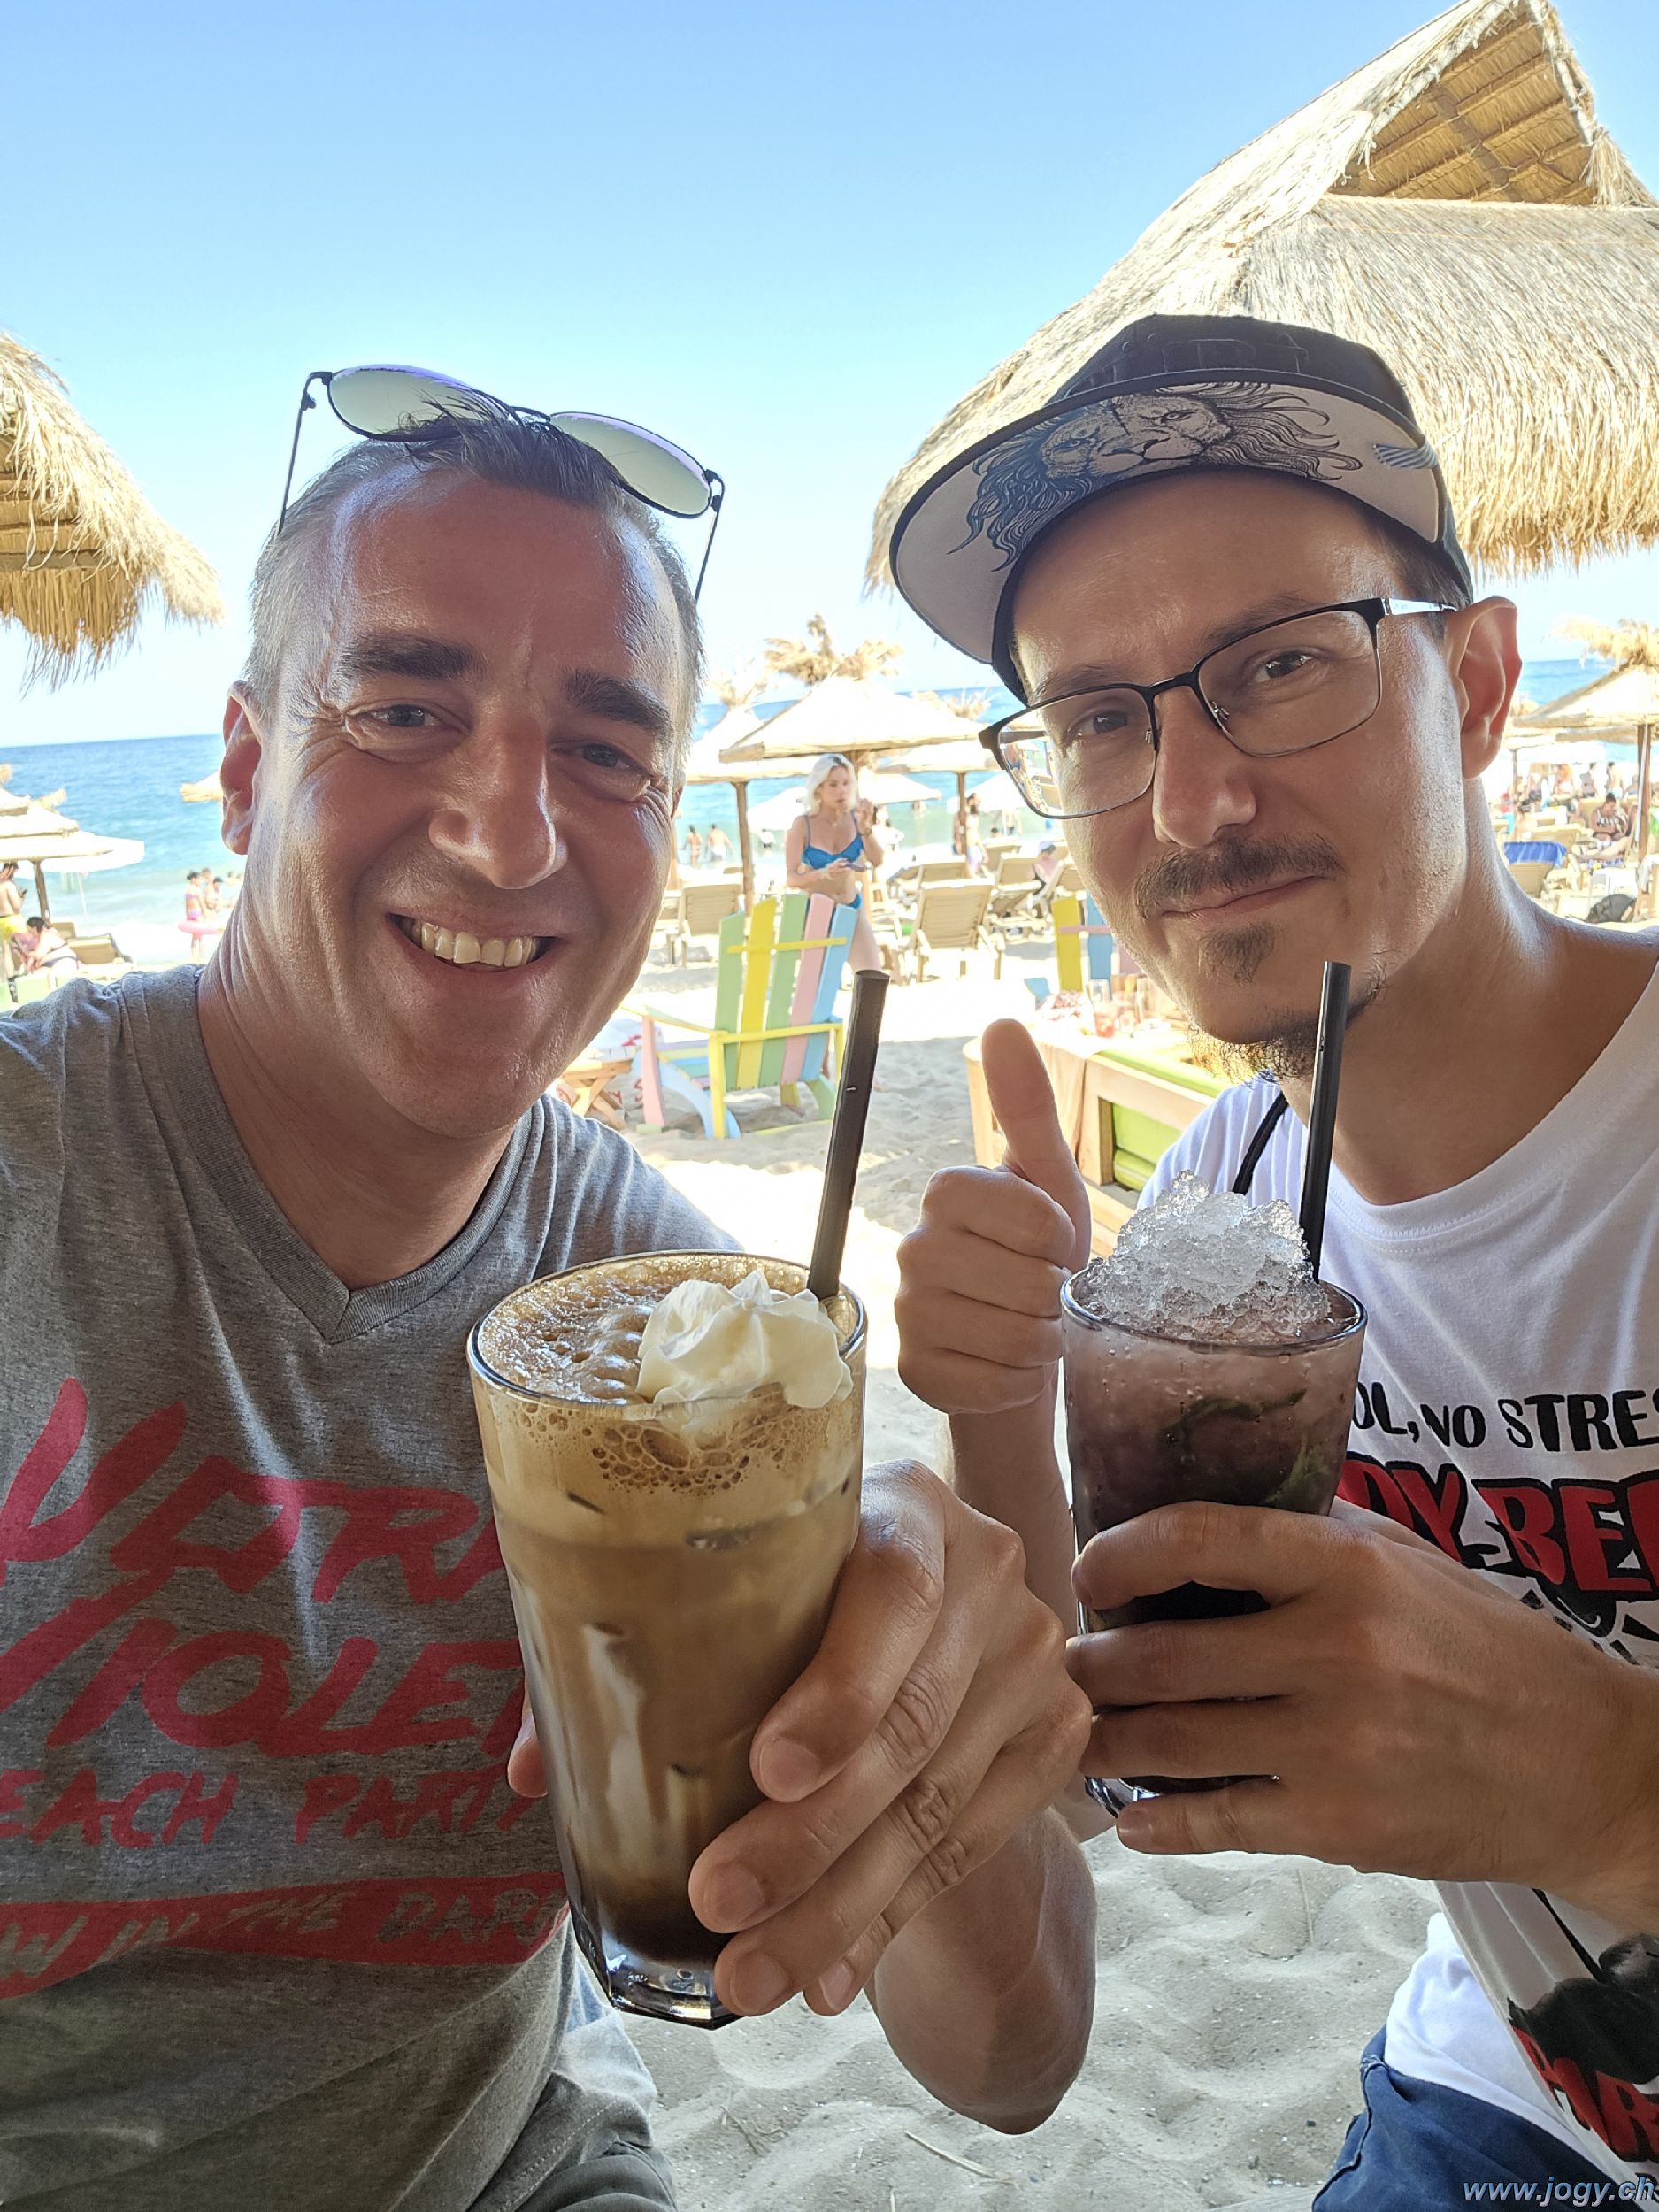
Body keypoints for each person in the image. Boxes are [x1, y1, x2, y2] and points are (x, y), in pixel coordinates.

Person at [0, 401, 1094, 2212]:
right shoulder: (36, 1174)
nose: (510, 837)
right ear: (246, 769)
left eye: (604, 750)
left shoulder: (683, 1341)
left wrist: (934, 1699)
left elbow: (1012, 2064)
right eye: (404, 709)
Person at [887, 312, 1659, 2203]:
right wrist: (1001, 1401)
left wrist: (1611, 1785)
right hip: (1523, 2093)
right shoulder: (1221, 1211)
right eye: (1101, 719)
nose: (1191, 804)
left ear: (1476, 686)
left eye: (1282, 664)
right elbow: (1107, 1761)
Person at [785, 753, 884, 973]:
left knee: (872, 978)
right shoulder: (802, 825)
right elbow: (792, 879)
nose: (841, 790)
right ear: (818, 788)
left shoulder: (856, 819)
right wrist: (824, 873)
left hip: (851, 908)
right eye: (833, 785)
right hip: (816, 914)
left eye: (846, 783)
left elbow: (877, 860)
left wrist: (866, 830)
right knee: (818, 986)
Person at [12, 912, 80, 987]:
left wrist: (26, 952)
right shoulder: (41, 938)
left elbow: (38, 955)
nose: (29, 933)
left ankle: (53, 993)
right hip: (48, 966)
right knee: (29, 979)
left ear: (34, 928)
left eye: (30, 930)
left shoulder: (47, 935)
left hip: (63, 961)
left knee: (51, 975)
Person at [0, 859, 24, 1002]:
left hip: (1, 921)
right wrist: (21, 898)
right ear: (11, 869)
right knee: (23, 947)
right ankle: (25, 973)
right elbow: (16, 906)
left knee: (6, 952)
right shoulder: (9, 885)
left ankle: (11, 981)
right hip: (12, 919)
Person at [1592, 788, 1632, 858]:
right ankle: (1603, 855)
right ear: (1606, 804)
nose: (1612, 808)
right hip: (1600, 833)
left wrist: (1623, 825)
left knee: (1622, 838)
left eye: (1614, 806)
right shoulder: (1596, 812)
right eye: (1611, 806)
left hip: (1613, 833)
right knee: (1607, 838)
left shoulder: (1615, 812)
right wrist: (1606, 829)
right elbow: (1594, 827)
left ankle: (1618, 854)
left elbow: (1624, 824)